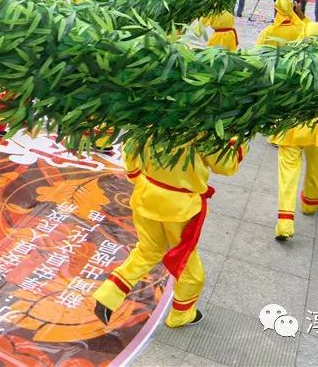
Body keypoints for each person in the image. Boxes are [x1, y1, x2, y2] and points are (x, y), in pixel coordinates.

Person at [93, 136, 246, 329]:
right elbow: (225, 166)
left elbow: (130, 148)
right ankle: (181, 314)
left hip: (146, 194)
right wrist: (240, 142)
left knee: (147, 251)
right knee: (186, 261)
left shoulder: (150, 118)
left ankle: (109, 295)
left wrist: (138, 178)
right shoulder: (202, 130)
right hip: (179, 208)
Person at [258, 13, 318, 240]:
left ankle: (285, 223)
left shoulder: (290, 60)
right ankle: (311, 202)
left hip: (289, 127)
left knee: (288, 176)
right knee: (316, 165)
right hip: (313, 126)